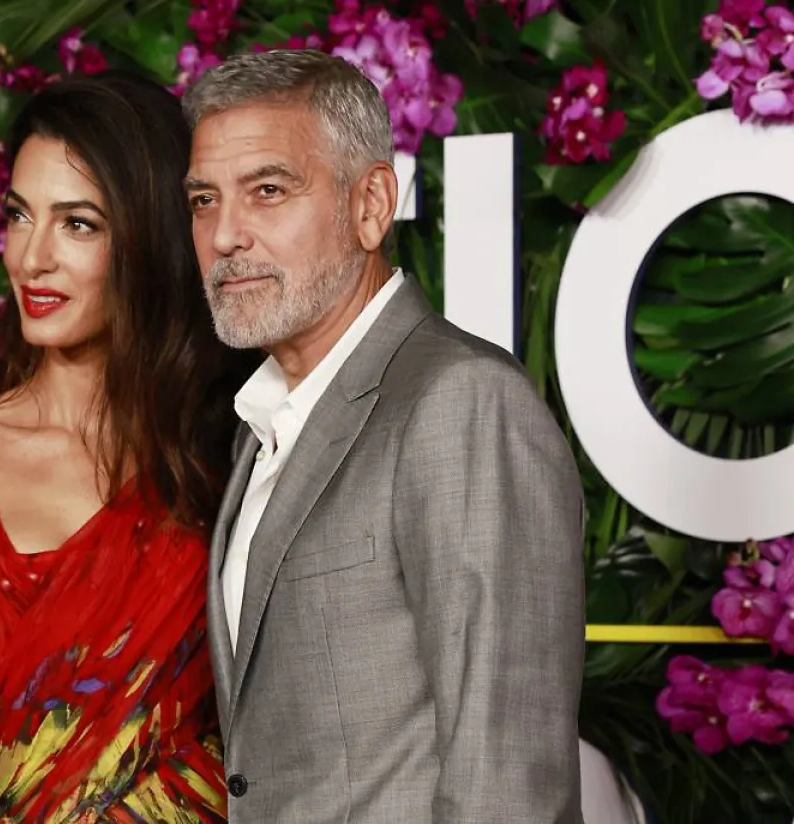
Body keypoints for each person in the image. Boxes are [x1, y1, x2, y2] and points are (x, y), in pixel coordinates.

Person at [183, 49, 586, 823]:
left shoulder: (459, 400)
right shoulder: (261, 426)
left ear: (370, 205)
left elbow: (508, 781)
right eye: (204, 200)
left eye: (268, 191)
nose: (225, 234)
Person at [0, 70, 248, 824]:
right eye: (20, 215)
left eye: (78, 224)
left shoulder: (233, 453)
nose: (31, 258)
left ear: (149, 240)